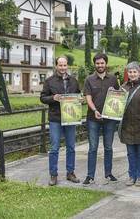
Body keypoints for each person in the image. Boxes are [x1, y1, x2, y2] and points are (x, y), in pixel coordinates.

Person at [40, 56, 81, 186]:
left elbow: (78, 95)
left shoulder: (74, 81)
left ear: (67, 66)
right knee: (54, 148)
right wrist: (53, 98)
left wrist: (80, 100)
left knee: (71, 147)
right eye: (60, 65)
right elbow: (42, 98)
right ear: (56, 66)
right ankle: (53, 175)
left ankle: (70, 173)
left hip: (70, 118)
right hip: (55, 119)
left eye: (64, 65)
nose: (63, 68)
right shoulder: (49, 81)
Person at [83, 53, 120, 185]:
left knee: (108, 147)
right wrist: (95, 110)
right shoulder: (89, 79)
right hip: (93, 118)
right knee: (93, 148)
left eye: (102, 63)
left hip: (109, 119)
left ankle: (108, 174)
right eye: (97, 63)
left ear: (106, 64)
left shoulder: (113, 79)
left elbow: (119, 96)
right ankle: (90, 176)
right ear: (95, 64)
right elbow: (88, 98)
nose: (100, 65)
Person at [119, 62, 140, 186]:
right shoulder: (123, 87)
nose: (132, 74)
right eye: (130, 72)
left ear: (139, 72)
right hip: (127, 125)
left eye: (134, 72)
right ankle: (132, 176)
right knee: (131, 153)